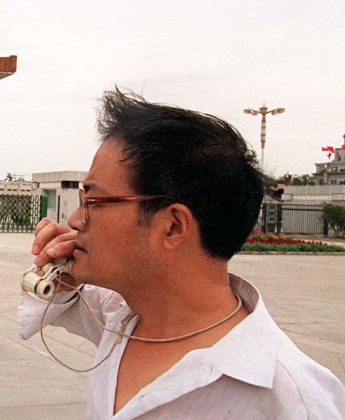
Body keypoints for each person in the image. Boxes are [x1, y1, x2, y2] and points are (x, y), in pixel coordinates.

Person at [19, 89, 345, 419]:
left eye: (93, 202)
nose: (75, 221)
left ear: (173, 227)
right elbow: (65, 302)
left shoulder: (291, 400)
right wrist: (58, 273)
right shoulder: (121, 316)